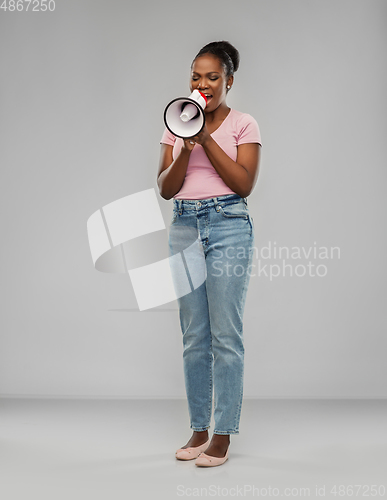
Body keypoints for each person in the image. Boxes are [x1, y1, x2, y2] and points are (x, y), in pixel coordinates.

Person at [157, 41, 262, 467]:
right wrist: (185, 143)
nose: (203, 84)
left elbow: (244, 183)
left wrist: (206, 139)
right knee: (194, 336)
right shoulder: (175, 124)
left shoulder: (243, 123)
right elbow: (166, 188)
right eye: (196, 77)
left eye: (212, 77)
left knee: (226, 336)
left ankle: (222, 434)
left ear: (229, 81)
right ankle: (199, 427)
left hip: (228, 225)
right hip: (184, 226)